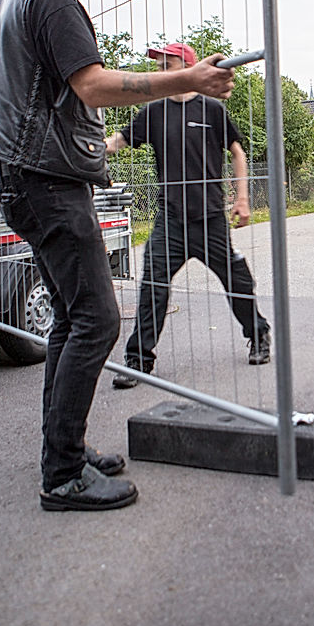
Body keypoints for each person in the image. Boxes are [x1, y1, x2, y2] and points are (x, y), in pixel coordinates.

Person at [0, 0, 234, 511]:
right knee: (98, 320)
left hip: (21, 175)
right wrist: (184, 80)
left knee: (68, 316)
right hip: (47, 180)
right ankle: (61, 475)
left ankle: (65, 448)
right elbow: (93, 86)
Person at [108, 42, 270, 388]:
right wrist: (94, 148)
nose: (161, 71)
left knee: (238, 281)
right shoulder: (154, 112)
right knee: (153, 284)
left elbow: (238, 153)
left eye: (168, 64)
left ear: (188, 66)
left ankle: (258, 335)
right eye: (160, 65)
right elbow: (120, 140)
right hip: (171, 220)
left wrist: (242, 199)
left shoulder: (212, 109)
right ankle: (138, 360)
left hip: (211, 218)